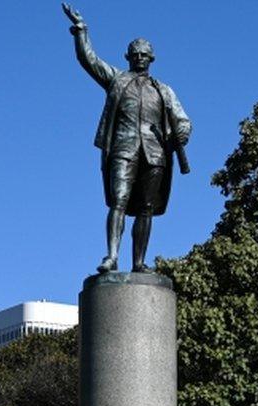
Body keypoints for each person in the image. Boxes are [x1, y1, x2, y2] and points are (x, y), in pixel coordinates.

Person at [62, 3, 192, 273]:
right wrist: (81, 31)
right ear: (128, 57)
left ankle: (139, 262)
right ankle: (111, 256)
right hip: (123, 147)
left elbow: (182, 119)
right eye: (135, 54)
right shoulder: (118, 80)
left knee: (146, 207)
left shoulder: (163, 90)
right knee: (119, 200)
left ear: (152, 58)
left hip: (155, 153)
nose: (140, 58)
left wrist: (182, 131)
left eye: (145, 54)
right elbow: (90, 61)